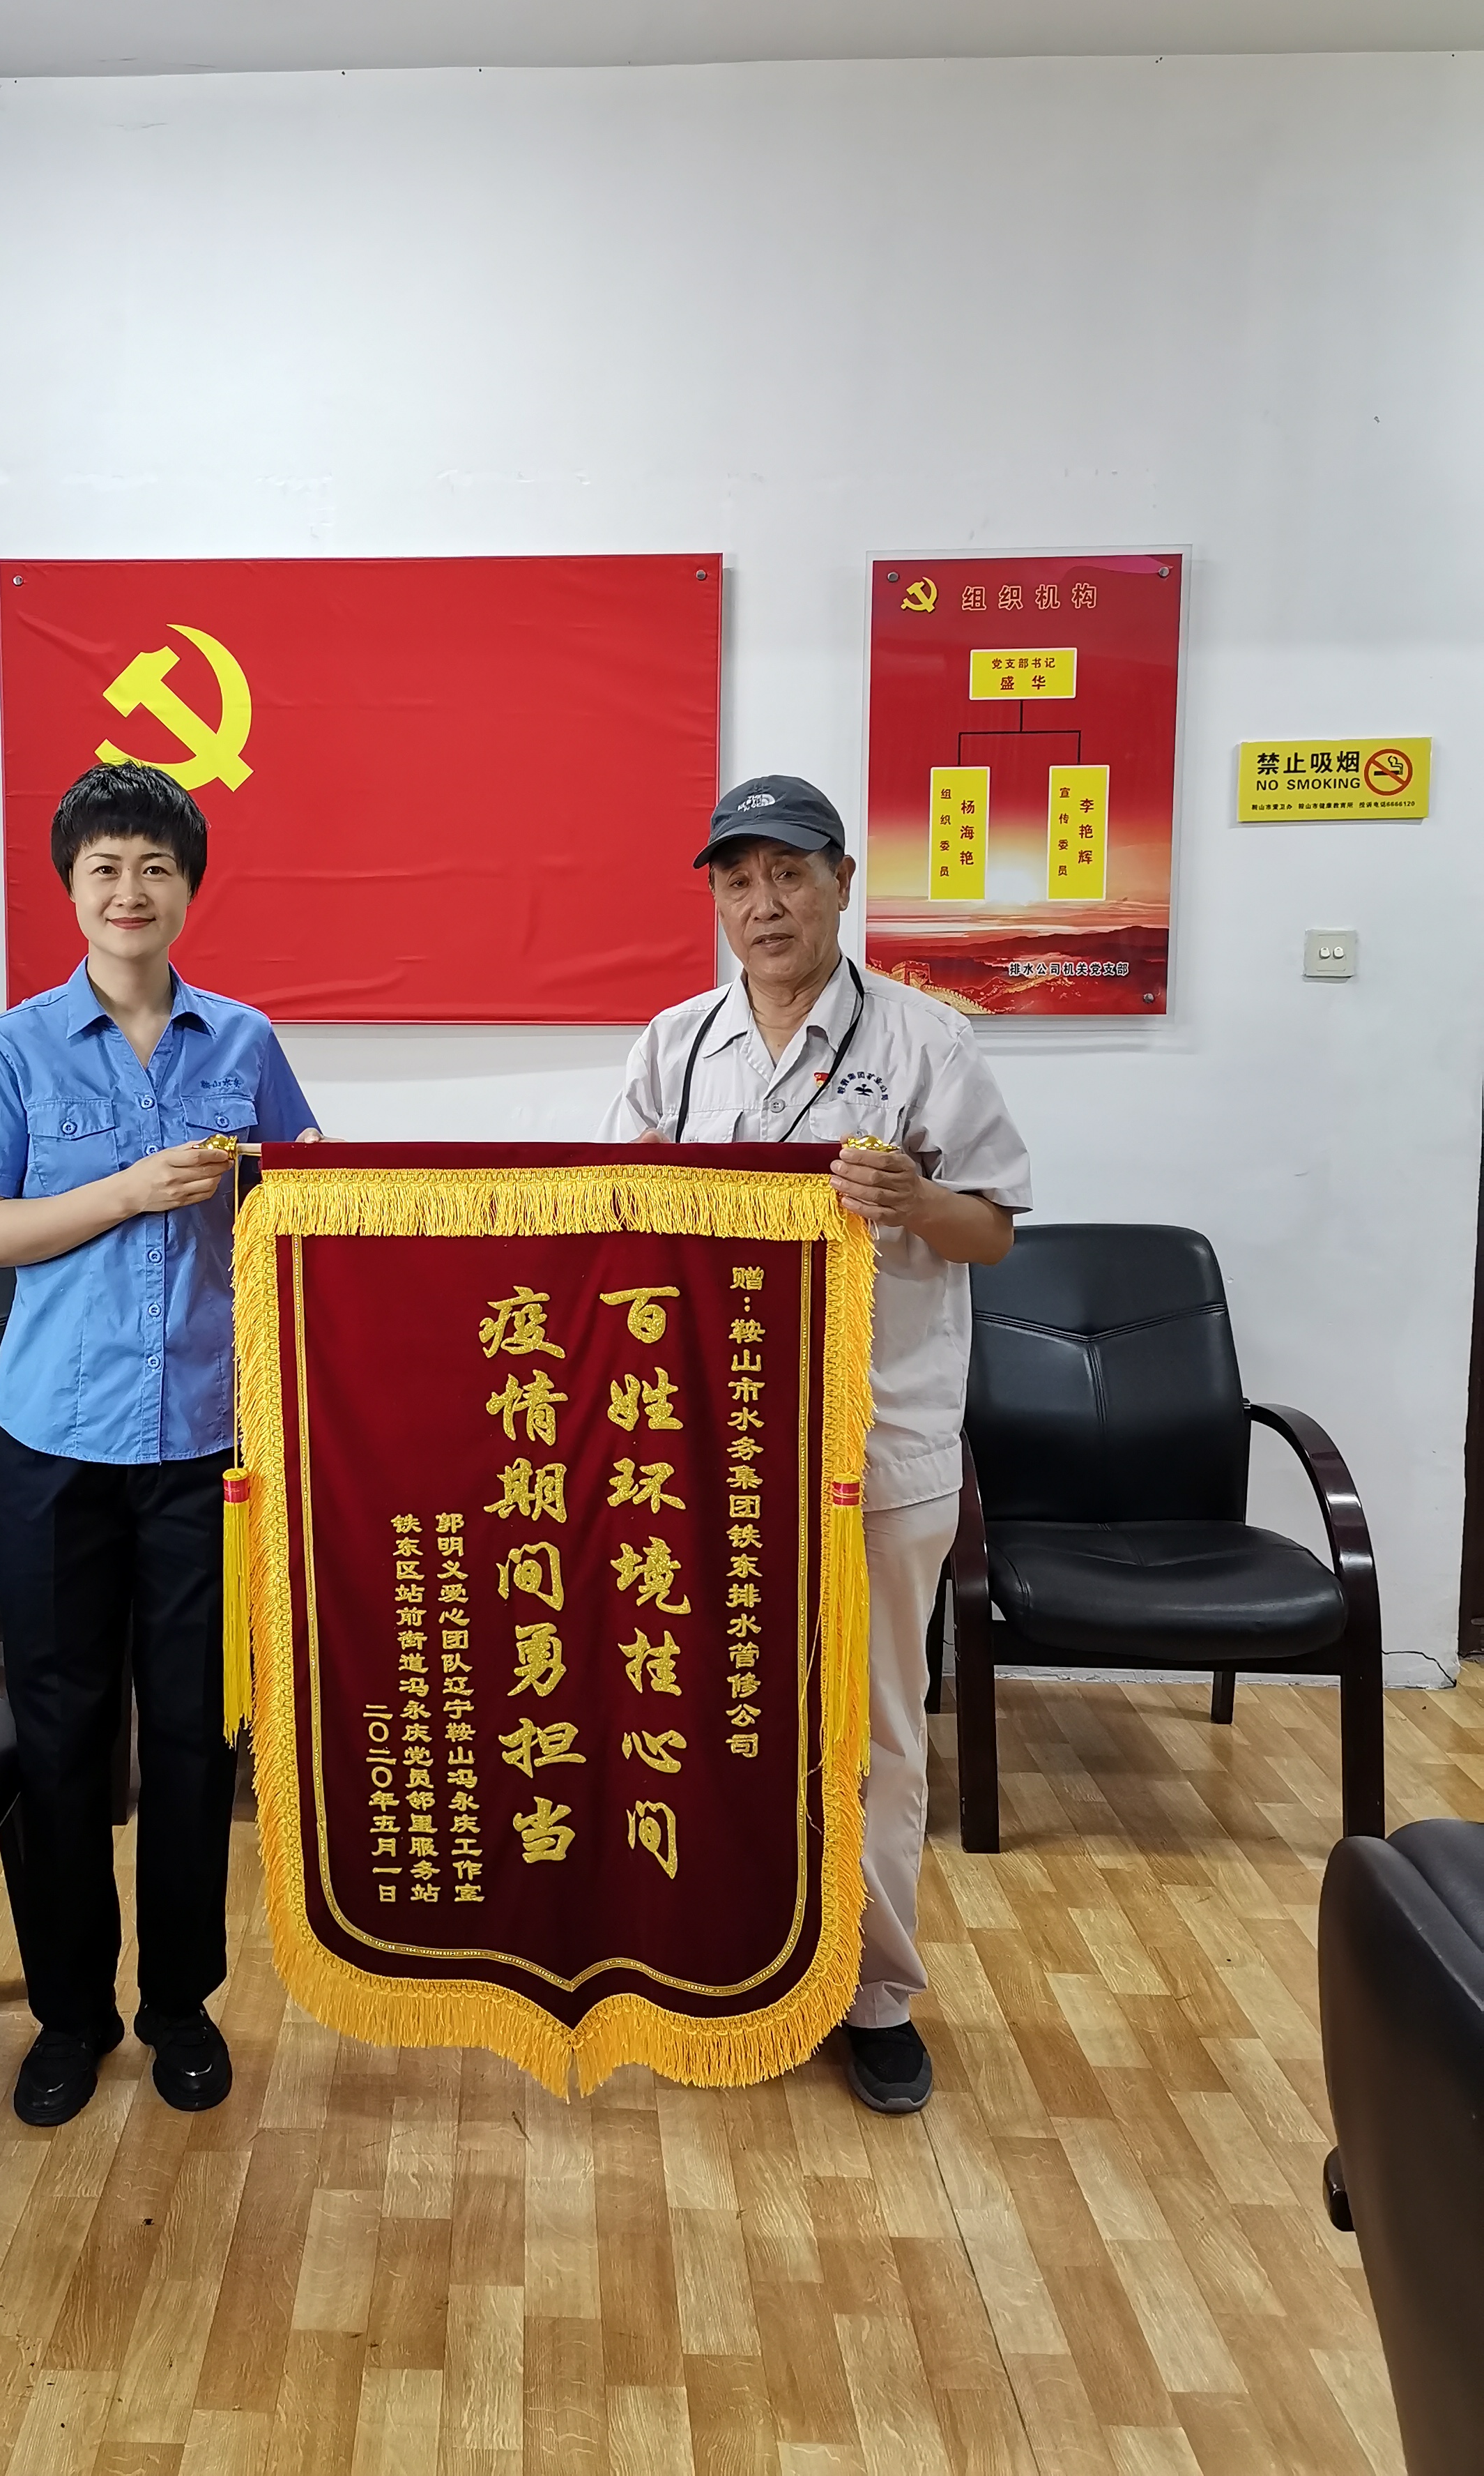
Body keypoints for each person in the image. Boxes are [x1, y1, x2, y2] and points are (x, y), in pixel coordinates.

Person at [607, 773, 1030, 2116]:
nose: (764, 904)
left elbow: (993, 1229)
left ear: (843, 883)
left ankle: (876, 1993)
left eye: (789, 873)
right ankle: (724, 1957)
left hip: (878, 1449)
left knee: (879, 1731)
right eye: (737, 880)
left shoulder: (926, 1043)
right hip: (714, 1457)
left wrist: (915, 1199)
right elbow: (613, 1224)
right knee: (709, 1712)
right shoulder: (676, 1047)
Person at [0, 759, 319, 2126]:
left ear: (188, 887)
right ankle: (70, 2013)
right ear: (71, 888)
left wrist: (292, 1184)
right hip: (56, 1435)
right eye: (107, 868)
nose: (131, 889)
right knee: (59, 1727)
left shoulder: (243, 1042)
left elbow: (298, 1203)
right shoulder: (11, 1048)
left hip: (207, 1438)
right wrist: (132, 1188)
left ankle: (181, 2004)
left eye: (156, 865)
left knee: (197, 1734)